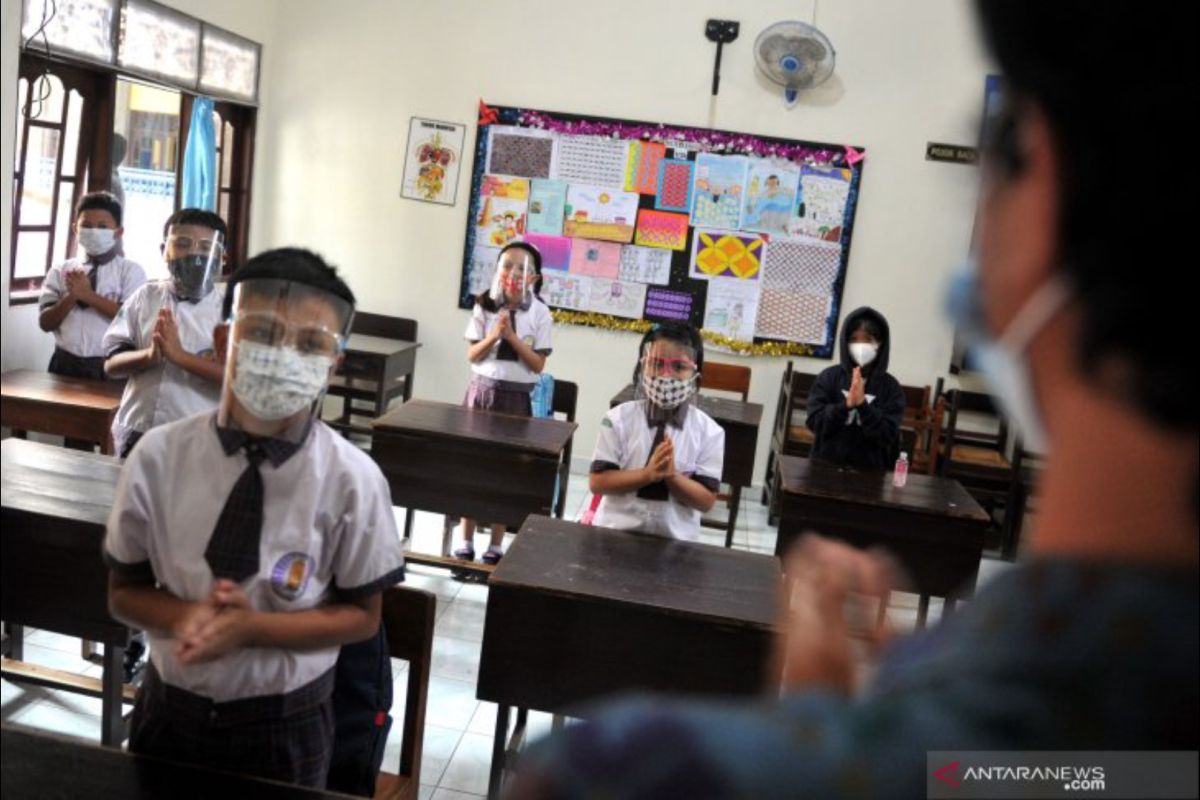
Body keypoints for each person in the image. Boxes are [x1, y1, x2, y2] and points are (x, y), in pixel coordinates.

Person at [508, 1, 1198, 796]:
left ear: (1042, 193)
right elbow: (1087, 778)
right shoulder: (1129, 755)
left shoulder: (629, 776)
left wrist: (819, 735)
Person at [104, 248, 406, 788]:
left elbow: (363, 615)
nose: (284, 354)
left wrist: (254, 629)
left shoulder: (352, 479)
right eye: (262, 333)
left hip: (285, 722)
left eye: (311, 345)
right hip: (168, 709)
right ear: (224, 341)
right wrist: (184, 617)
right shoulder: (158, 455)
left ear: (332, 365)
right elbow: (124, 589)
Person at [454, 242, 552, 564]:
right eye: (506, 265)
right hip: (480, 392)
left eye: (521, 268)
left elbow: (537, 365)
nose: (512, 273)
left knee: (504, 469)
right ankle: (465, 538)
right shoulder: (484, 305)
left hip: (515, 398)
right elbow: (472, 354)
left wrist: (511, 338)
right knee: (471, 465)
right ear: (497, 270)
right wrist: (495, 335)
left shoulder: (540, 313)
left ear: (534, 277)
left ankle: (496, 543)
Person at [102, 208, 227, 458]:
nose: (194, 254)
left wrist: (179, 356)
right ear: (164, 251)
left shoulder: (229, 310)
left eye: (205, 247)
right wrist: (149, 356)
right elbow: (111, 363)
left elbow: (238, 380)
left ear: (222, 257)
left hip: (200, 438)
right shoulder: (145, 297)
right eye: (182, 244)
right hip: (138, 430)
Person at [588, 323, 724, 541]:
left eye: (679, 367)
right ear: (642, 368)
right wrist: (646, 475)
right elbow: (598, 483)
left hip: (676, 543)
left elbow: (706, 500)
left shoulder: (710, 432)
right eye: (657, 364)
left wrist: (671, 477)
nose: (666, 376)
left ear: (696, 376)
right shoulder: (616, 420)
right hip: (613, 534)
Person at [38, 191, 145, 381]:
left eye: (103, 226)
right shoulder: (61, 269)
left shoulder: (131, 271)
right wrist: (72, 296)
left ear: (118, 232)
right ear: (75, 229)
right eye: (86, 226)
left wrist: (88, 296)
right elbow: (45, 323)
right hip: (64, 363)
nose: (94, 231)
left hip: (112, 365)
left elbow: (131, 320)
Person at [806, 306, 905, 469]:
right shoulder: (829, 377)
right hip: (824, 468)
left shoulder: (891, 388)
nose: (860, 346)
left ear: (880, 343)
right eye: (854, 340)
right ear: (845, 342)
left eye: (868, 340)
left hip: (870, 476)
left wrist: (863, 407)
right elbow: (815, 423)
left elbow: (887, 435)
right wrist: (844, 406)